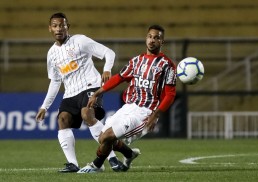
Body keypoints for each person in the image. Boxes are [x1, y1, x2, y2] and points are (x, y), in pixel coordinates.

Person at [77, 25, 177, 173]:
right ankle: (129, 154)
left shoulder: (168, 66)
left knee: (108, 137)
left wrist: (155, 114)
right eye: (150, 36)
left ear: (162, 42)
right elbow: (118, 78)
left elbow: (170, 95)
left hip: (146, 112)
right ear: (146, 38)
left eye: (157, 37)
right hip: (129, 107)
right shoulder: (137, 61)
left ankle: (96, 166)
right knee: (103, 138)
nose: (152, 40)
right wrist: (97, 93)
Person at [35, 12, 123, 173]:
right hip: (71, 93)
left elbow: (109, 53)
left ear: (68, 27)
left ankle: (112, 158)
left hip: (91, 85)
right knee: (63, 119)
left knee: (87, 114)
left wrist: (107, 69)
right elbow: (55, 81)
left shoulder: (80, 41)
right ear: (50, 28)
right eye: (55, 26)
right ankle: (72, 164)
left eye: (62, 25)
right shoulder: (51, 54)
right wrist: (44, 107)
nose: (59, 28)